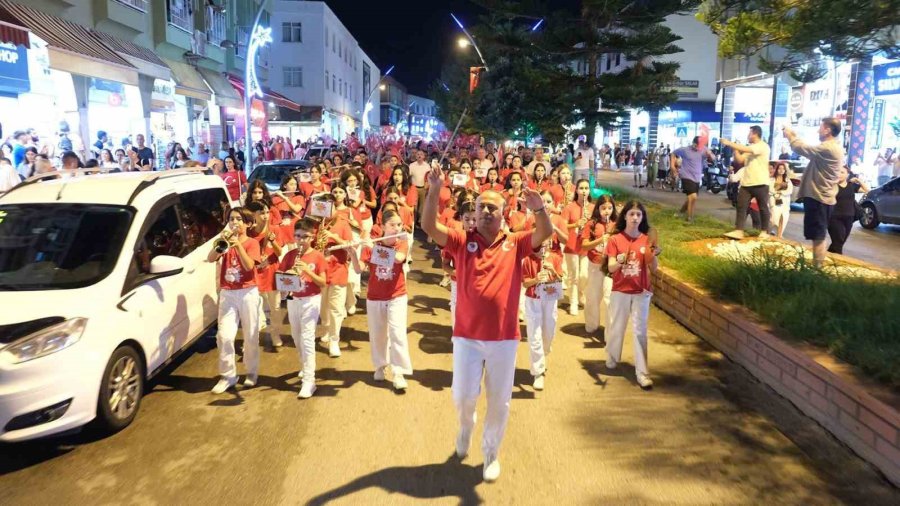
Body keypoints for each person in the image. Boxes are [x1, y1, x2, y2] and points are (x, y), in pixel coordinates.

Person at [421, 160, 552, 483]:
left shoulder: (515, 241)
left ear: (504, 213)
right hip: (466, 335)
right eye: (481, 207)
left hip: (504, 338)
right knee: (462, 396)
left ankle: (491, 451)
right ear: (474, 211)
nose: (486, 212)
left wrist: (539, 210)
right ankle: (466, 425)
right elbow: (428, 227)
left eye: (493, 208)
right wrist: (435, 190)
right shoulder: (462, 240)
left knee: (499, 401)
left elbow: (545, 233)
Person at [348, 210, 414, 392]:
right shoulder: (370, 246)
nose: (397, 228)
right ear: (383, 226)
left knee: (397, 333)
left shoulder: (402, 243)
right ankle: (379, 366)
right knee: (378, 334)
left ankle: (398, 372)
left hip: (397, 295)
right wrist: (354, 252)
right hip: (375, 296)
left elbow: (398, 259)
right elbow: (359, 269)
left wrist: (373, 247)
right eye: (392, 225)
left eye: (399, 225)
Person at [605, 200, 660, 390]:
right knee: (616, 327)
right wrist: (619, 261)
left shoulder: (647, 240)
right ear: (625, 216)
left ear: (642, 218)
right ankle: (612, 357)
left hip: (641, 291)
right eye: (632, 214)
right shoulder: (615, 240)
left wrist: (654, 255)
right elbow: (611, 268)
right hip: (620, 290)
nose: (635, 218)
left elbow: (654, 268)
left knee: (640, 332)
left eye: (639, 214)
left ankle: (642, 373)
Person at [207, 207, 262, 394]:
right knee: (224, 336)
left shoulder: (252, 243)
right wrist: (222, 242)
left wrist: (238, 245)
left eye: (239, 219)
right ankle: (228, 375)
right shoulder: (225, 241)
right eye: (231, 219)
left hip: (247, 292)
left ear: (248, 223)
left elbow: (248, 266)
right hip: (228, 292)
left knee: (250, 334)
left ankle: (252, 371)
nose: (235, 222)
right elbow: (210, 258)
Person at [783, 118, 844, 268]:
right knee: (818, 234)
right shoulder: (832, 147)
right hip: (821, 197)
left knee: (818, 236)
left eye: (820, 127)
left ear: (828, 130)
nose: (818, 130)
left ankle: (817, 270)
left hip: (819, 198)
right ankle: (817, 267)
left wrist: (790, 135)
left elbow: (801, 148)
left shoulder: (828, 148)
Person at [278, 218, 327, 399]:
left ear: (312, 236)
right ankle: (305, 365)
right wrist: (287, 280)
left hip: (311, 299)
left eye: (305, 237)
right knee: (296, 337)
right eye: (297, 236)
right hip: (293, 299)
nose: (301, 240)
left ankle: (309, 380)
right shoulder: (290, 256)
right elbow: (281, 277)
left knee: (307, 338)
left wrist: (307, 270)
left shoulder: (317, 256)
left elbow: (322, 282)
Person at [521, 237, 564, 391]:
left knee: (548, 333)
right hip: (533, 300)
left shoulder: (555, 258)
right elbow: (525, 283)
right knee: (534, 336)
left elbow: (560, 279)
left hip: (550, 298)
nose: (542, 250)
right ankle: (538, 372)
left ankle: (543, 354)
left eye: (544, 245)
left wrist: (552, 270)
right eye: (538, 246)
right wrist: (535, 279)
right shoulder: (527, 259)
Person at [315, 194, 352, 358]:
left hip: (338, 270)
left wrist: (334, 237)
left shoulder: (343, 223)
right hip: (320, 272)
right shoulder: (316, 224)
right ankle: (326, 329)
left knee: (336, 308)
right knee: (323, 307)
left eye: (328, 206)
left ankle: (334, 340)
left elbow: (350, 248)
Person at [721, 126, 772, 239]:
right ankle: (739, 230)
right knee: (741, 206)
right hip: (746, 183)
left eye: (749, 133)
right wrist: (735, 150)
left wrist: (729, 143)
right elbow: (739, 160)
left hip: (760, 182)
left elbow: (746, 149)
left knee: (763, 207)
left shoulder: (762, 146)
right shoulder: (751, 148)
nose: (748, 136)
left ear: (755, 133)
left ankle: (764, 231)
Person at [247, 200, 285, 348]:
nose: (265, 215)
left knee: (275, 307)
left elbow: (279, 252)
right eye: (261, 212)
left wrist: (273, 242)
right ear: (254, 215)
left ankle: (275, 334)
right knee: (254, 308)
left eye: (267, 212)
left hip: (272, 273)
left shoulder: (274, 229)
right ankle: (252, 338)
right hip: (255, 274)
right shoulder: (249, 232)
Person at [581, 194, 617, 334]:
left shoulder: (617, 223)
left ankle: (610, 331)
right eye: (603, 208)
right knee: (593, 297)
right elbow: (584, 246)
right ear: (598, 209)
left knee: (609, 299)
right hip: (595, 265)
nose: (607, 211)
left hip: (611, 267)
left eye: (609, 208)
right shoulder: (592, 224)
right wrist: (600, 240)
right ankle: (591, 324)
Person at [562, 179, 593, 316]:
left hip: (586, 246)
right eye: (581, 188)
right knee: (573, 275)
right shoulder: (569, 207)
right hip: (572, 245)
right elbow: (562, 226)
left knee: (584, 275)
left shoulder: (592, 208)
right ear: (577, 190)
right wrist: (576, 225)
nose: (584, 191)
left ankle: (581, 293)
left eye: (586, 188)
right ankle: (573, 302)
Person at [671, 136, 716, 223]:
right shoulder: (685, 150)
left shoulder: (704, 149)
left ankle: (680, 212)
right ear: (693, 143)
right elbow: (673, 153)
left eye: (700, 146)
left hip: (697, 177)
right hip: (686, 175)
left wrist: (710, 154)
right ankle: (690, 219)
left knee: (690, 198)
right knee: (693, 197)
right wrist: (672, 166)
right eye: (696, 145)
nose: (698, 148)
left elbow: (713, 159)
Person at [827, 166, 869, 255]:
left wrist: (858, 181)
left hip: (849, 218)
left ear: (847, 175)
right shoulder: (832, 185)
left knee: (839, 243)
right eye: (837, 172)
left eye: (842, 172)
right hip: (834, 218)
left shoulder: (851, 186)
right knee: (838, 240)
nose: (839, 174)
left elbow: (867, 190)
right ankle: (837, 263)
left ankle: (827, 257)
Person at [768, 162, 793, 238]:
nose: (781, 170)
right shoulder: (772, 179)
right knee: (774, 219)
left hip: (784, 202)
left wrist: (781, 192)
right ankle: (769, 232)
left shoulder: (788, 180)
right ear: (777, 169)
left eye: (783, 169)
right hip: (774, 201)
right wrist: (776, 192)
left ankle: (779, 235)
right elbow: (770, 190)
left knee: (783, 218)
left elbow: (790, 190)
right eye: (780, 168)